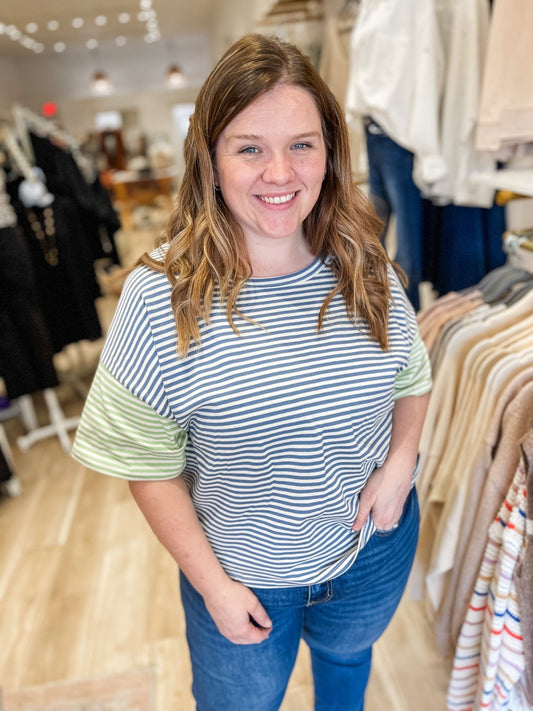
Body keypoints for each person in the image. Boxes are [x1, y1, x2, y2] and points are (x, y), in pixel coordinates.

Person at [72, 33, 432, 711]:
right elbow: (146, 465)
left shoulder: (362, 262)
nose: (279, 173)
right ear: (209, 159)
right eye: (249, 148)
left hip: (369, 549)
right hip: (240, 576)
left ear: (329, 154)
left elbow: (410, 375)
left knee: (347, 665)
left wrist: (401, 463)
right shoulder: (160, 297)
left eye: (301, 144)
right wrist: (211, 584)